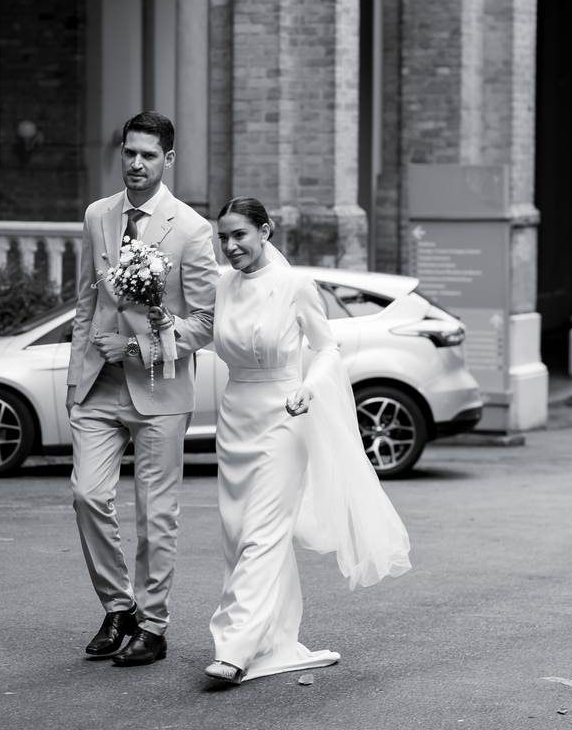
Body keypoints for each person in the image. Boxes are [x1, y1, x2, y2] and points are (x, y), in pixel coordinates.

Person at [204, 197, 412, 684]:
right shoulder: (222, 285)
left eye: (240, 235)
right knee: (237, 532)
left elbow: (327, 348)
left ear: (265, 231)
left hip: (284, 412)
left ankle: (233, 648)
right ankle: (274, 640)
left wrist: (308, 387)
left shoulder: (295, 285)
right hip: (235, 414)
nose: (231, 246)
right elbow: (213, 338)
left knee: (263, 531)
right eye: (224, 238)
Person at [67, 111, 220, 666]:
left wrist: (134, 348)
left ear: (168, 160)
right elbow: (87, 302)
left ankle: (152, 627)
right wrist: (74, 380)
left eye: (148, 155)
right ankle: (118, 606)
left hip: (160, 390)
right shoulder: (97, 215)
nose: (136, 164)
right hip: (98, 388)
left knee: (155, 516)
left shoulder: (192, 229)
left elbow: (204, 323)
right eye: (129, 153)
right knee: (87, 495)